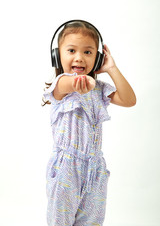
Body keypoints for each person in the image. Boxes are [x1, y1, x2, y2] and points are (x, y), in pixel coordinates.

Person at [42, 20, 136, 226]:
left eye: (87, 52)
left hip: (95, 169)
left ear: (98, 57)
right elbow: (71, 83)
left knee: (92, 221)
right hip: (67, 168)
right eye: (71, 50)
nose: (79, 57)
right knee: (60, 221)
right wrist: (82, 83)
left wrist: (111, 68)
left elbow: (129, 100)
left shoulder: (99, 89)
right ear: (58, 55)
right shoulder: (60, 85)